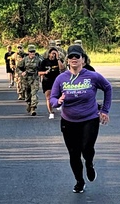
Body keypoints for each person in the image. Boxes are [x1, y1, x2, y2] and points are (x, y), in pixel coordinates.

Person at [48, 44, 112, 193]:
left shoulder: (92, 76)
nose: (74, 59)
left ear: (83, 59)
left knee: (87, 148)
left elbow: (108, 88)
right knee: (74, 153)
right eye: (71, 56)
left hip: (89, 119)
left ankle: (89, 164)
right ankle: (79, 181)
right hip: (68, 122)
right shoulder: (61, 78)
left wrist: (105, 110)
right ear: (67, 60)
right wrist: (57, 102)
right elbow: (53, 98)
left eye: (77, 56)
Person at [14, 45, 43, 116]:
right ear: (28, 52)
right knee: (27, 94)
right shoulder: (24, 60)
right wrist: (21, 73)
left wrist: (41, 74)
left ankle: (33, 108)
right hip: (26, 79)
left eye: (33, 52)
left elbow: (42, 68)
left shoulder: (38, 60)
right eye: (31, 52)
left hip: (34, 78)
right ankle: (29, 104)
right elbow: (18, 68)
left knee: (34, 93)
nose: (32, 53)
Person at [38, 47, 64, 119]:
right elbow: (39, 72)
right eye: (52, 53)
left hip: (56, 81)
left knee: (59, 95)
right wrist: (45, 72)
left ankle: (58, 104)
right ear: (49, 54)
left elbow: (62, 68)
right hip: (47, 80)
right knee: (48, 97)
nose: (54, 55)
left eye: (55, 53)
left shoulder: (58, 61)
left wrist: (58, 58)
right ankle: (51, 112)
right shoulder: (44, 62)